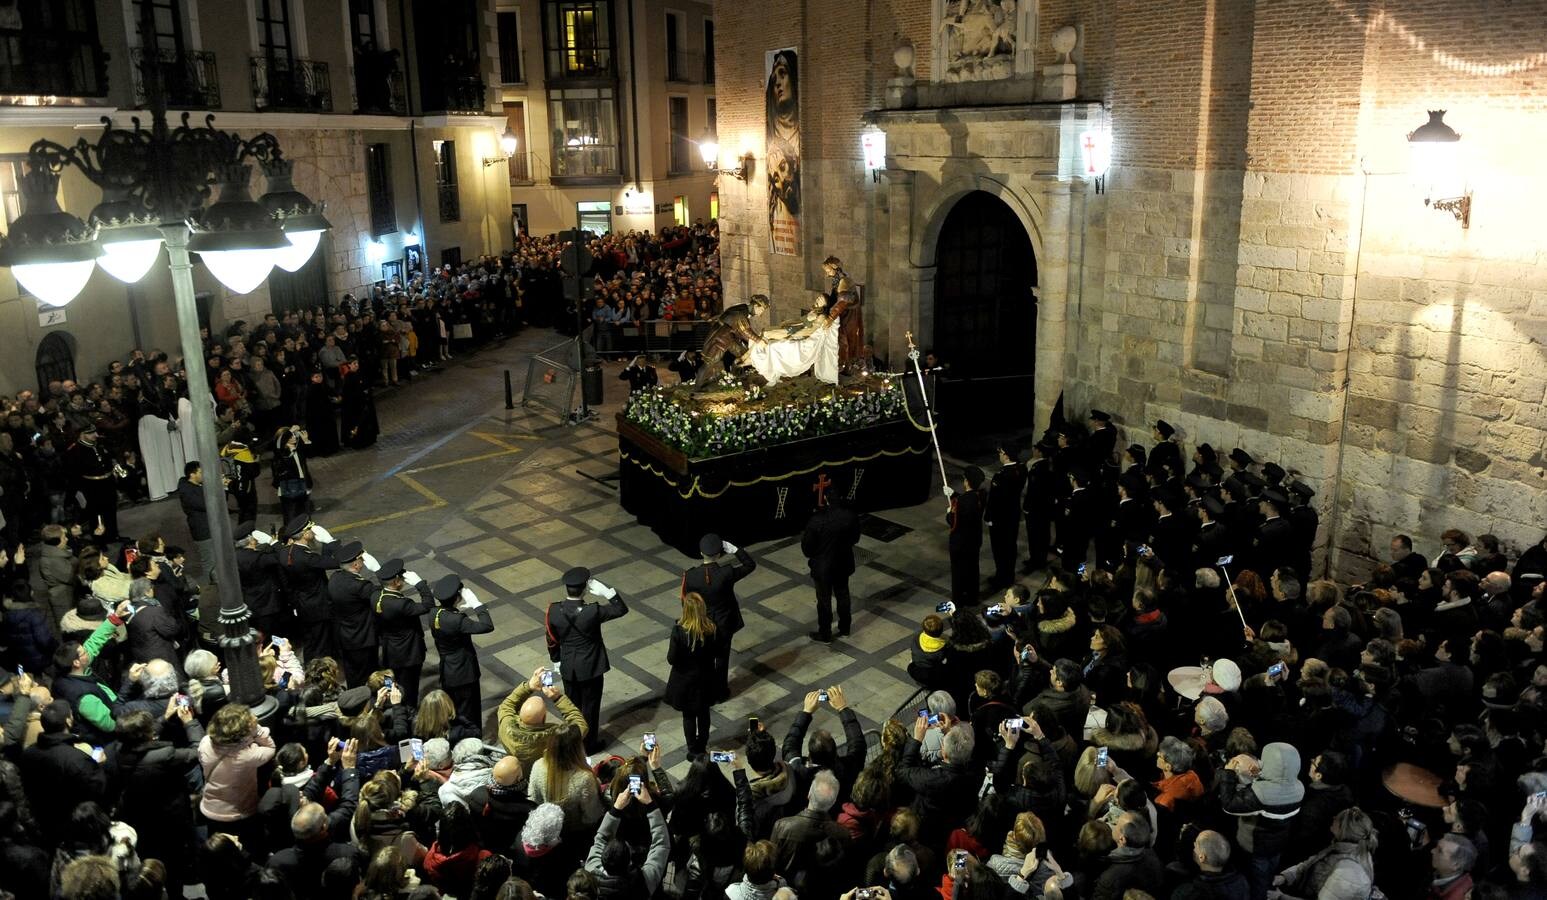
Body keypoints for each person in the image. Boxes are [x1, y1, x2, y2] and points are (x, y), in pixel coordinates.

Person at [544, 567, 627, 753]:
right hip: (591, 667)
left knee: (571, 707)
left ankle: (573, 742)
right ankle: (588, 745)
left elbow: (551, 637)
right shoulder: (592, 611)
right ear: (584, 589)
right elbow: (621, 609)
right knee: (590, 707)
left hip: (568, 665)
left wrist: (556, 659)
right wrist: (607, 592)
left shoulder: (554, 610)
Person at [682, 533, 756, 704]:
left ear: (701, 553)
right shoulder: (726, 573)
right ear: (719, 554)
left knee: (704, 658)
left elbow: (687, 600)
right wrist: (736, 550)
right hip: (724, 622)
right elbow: (750, 564)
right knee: (722, 658)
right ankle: (720, 692)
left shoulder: (690, 576)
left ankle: (705, 690)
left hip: (702, 622)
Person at [430, 574, 495, 725]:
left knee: (453, 710)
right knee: (470, 713)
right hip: (464, 673)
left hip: (447, 670)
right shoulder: (457, 619)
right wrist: (477, 605)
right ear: (457, 597)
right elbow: (487, 626)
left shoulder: (435, 614)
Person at [496, 666, 590, 771]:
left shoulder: (506, 726)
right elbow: (580, 725)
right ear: (544, 717)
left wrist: (528, 686)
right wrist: (558, 698)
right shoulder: (555, 739)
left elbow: (506, 706)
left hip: (520, 773)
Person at [372, 558, 434, 708]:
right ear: (396, 582)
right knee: (409, 689)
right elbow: (428, 605)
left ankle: (390, 706)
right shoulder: (401, 604)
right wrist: (420, 584)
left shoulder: (376, 597)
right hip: (408, 655)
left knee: (390, 681)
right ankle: (407, 713)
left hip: (389, 652)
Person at [665, 591, 719, 756]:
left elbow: (671, 659)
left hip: (685, 681)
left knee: (688, 716)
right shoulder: (711, 628)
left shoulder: (679, 631)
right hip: (705, 680)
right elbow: (717, 652)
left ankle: (692, 750)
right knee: (704, 714)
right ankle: (701, 746)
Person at [802, 493, 861, 643]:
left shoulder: (817, 520)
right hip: (843, 564)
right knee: (843, 595)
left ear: (826, 500)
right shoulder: (850, 516)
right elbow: (855, 538)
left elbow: (807, 549)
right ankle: (845, 628)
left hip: (823, 568)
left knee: (824, 600)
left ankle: (825, 633)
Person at [327, 541, 380, 687]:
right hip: (363, 637)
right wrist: (378, 570)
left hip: (345, 635)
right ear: (356, 565)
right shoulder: (360, 585)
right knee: (369, 674)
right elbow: (381, 594)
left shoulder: (335, 578)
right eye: (361, 559)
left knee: (353, 672)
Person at [66, 423, 120, 542]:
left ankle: (113, 535)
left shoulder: (98, 445)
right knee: (96, 514)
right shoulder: (75, 450)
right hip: (91, 485)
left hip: (107, 482)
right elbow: (73, 473)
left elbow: (107, 460)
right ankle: (99, 540)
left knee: (111, 510)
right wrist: (78, 490)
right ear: (82, 435)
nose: (96, 435)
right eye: (91, 433)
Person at [945, 466, 986, 606]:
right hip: (974, 540)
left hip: (960, 543)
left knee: (958, 572)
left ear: (967, 481)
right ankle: (972, 596)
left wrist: (949, 512)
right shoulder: (981, 495)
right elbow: (967, 499)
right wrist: (953, 494)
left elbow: (954, 522)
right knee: (973, 569)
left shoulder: (961, 502)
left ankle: (958, 598)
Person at [988, 444, 1026, 589]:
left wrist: (989, 516)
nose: (1000, 455)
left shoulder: (1002, 475)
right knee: (1010, 546)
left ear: (1007, 455)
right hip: (1013, 514)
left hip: (1001, 517)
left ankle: (1001, 577)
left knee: (1000, 548)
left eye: (1001, 453)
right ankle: (1008, 575)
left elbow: (995, 499)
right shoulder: (1021, 469)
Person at [176, 461, 216, 585]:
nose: (203, 474)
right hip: (202, 530)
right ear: (192, 474)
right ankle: (211, 588)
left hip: (208, 527)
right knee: (209, 561)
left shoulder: (196, 486)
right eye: (200, 472)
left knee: (214, 558)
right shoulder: (188, 492)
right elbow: (207, 504)